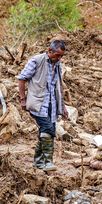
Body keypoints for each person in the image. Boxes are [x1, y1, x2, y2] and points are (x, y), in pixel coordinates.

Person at [18, 40, 68, 172]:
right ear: (49, 50)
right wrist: (23, 99)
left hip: (52, 104)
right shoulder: (37, 61)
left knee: (47, 130)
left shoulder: (58, 65)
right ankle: (48, 162)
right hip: (37, 103)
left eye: (61, 56)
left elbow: (58, 86)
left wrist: (62, 106)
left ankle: (38, 162)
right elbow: (22, 78)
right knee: (47, 129)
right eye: (57, 55)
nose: (58, 58)